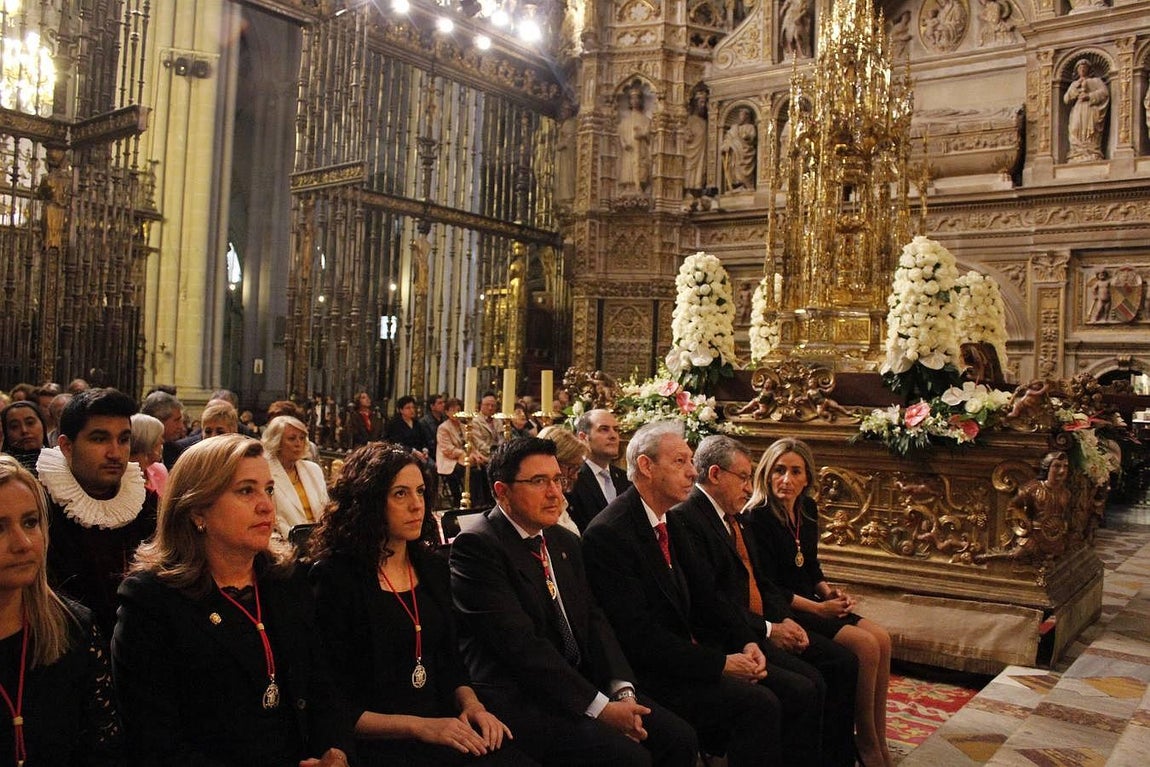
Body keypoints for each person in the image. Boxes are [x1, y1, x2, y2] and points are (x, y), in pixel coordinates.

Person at [450, 438, 698, 766]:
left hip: (578, 684)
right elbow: (521, 647)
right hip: (523, 697)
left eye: (558, 479)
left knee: (679, 737)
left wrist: (621, 689)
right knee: (628, 758)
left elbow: (594, 620)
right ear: (502, 491)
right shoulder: (478, 546)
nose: (556, 493)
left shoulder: (562, 539)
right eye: (539, 482)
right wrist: (600, 708)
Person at [583, 420, 815, 767]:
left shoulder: (668, 519)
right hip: (648, 671)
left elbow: (707, 597)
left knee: (799, 688)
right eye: (680, 462)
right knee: (761, 703)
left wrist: (746, 641)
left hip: (688, 652)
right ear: (646, 466)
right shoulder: (610, 533)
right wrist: (721, 664)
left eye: (692, 461)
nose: (693, 473)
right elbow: (639, 637)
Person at [112, 435, 356, 766]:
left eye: (268, 489)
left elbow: (324, 687)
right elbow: (154, 741)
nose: (266, 505)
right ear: (198, 509)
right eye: (246, 490)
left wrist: (335, 752)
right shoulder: (152, 600)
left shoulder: (286, 578)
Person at [310, 443, 531, 765]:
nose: (417, 506)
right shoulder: (335, 578)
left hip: (442, 725)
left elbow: (450, 661)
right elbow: (333, 702)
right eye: (400, 494)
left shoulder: (431, 566)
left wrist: (473, 707)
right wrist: (420, 727)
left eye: (420, 492)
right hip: (379, 742)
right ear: (369, 503)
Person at [670, 435, 859, 767]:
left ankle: (833, 758)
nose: (749, 487)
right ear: (715, 475)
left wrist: (786, 620)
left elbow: (761, 582)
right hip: (726, 636)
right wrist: (770, 629)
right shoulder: (687, 518)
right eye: (743, 477)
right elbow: (710, 601)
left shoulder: (733, 515)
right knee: (805, 686)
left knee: (841, 663)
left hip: (755, 624)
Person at [747, 438, 894, 767]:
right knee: (865, 646)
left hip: (814, 601)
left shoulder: (806, 509)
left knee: (882, 639)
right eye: (779, 471)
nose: (786, 479)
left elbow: (811, 566)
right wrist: (818, 608)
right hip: (787, 609)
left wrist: (830, 594)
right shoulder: (757, 517)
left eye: (795, 471)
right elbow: (767, 586)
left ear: (807, 478)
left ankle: (878, 739)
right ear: (766, 475)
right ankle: (867, 745)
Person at [0, 456, 127, 766]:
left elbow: (103, 750)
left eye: (31, 522)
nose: (23, 543)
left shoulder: (74, 628)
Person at [38, 388, 158, 637]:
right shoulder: (39, 506)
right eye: (99, 439)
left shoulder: (146, 504)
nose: (115, 453)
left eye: (123, 439)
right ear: (66, 446)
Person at [263, 415, 329, 538]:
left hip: (320, 540)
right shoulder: (265, 473)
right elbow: (273, 520)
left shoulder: (313, 469)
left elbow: (325, 510)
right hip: (285, 542)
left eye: (302, 438)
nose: (298, 444)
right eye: (292, 438)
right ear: (276, 441)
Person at [567, 409, 631, 532]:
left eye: (616, 430)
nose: (613, 436)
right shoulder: (572, 477)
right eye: (604, 429)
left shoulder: (625, 478)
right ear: (583, 437)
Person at [536, 425, 587, 537]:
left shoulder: (564, 501)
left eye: (578, 468)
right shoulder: (538, 506)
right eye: (571, 467)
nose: (575, 477)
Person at [1064, 59, 1110, 163]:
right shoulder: (1074, 84)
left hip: (1090, 109)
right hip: (1078, 108)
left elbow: (1104, 93)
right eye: (1080, 68)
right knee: (1075, 128)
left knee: (1091, 129)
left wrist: (1089, 96)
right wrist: (1075, 90)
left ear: (1089, 69)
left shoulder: (1096, 81)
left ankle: (1092, 152)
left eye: (1085, 67)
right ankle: (1076, 152)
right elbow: (1066, 99)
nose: (1082, 69)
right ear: (1077, 70)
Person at [437, 398, 476, 508]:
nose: (455, 413)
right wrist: (463, 454)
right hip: (449, 459)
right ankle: (458, 498)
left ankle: (477, 500)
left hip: (464, 457)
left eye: (458, 410)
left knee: (479, 469)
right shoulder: (443, 428)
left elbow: (471, 444)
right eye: (452, 410)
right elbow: (447, 449)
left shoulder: (464, 427)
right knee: (461, 470)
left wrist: (475, 454)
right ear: (447, 412)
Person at [617, 84, 652, 194]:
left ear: (641, 100)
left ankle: (640, 187)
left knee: (640, 169)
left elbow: (649, 135)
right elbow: (621, 134)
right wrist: (624, 144)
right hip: (629, 150)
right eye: (632, 98)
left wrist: (642, 135)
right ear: (629, 101)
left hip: (640, 151)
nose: (635, 100)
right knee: (628, 167)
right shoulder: (625, 121)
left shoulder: (646, 120)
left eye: (637, 98)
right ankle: (628, 187)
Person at [139, 390, 186, 470]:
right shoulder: (137, 451)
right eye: (177, 420)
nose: (181, 426)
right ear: (159, 420)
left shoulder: (177, 451)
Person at [1, 400, 48, 475]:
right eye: (14, 426)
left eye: (30, 423)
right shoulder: (3, 469)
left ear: (43, 425)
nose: (24, 430)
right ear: (6, 433)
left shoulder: (61, 462)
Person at [129, 413, 169, 498]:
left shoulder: (160, 470)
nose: (163, 441)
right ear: (148, 440)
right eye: (160, 436)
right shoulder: (122, 475)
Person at [721, 107, 757, 192]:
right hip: (734, 154)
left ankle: (747, 185)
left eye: (742, 115)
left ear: (747, 116)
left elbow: (753, 137)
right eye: (739, 115)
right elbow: (728, 138)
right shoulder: (734, 128)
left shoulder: (750, 127)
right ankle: (737, 185)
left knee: (743, 168)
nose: (740, 117)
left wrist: (747, 137)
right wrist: (725, 145)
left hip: (745, 153)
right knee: (734, 169)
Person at [683, 86, 709, 195]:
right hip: (691, 152)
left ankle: (698, 188)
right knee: (690, 169)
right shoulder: (690, 120)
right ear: (695, 103)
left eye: (705, 103)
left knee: (701, 170)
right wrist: (687, 136)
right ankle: (688, 190)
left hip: (702, 151)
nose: (703, 106)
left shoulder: (705, 122)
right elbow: (684, 134)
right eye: (701, 102)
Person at [417, 394, 447, 462]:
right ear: (432, 406)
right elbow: (427, 441)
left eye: (443, 402)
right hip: (431, 453)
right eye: (440, 403)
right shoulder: (424, 422)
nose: (443, 405)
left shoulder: (445, 419)